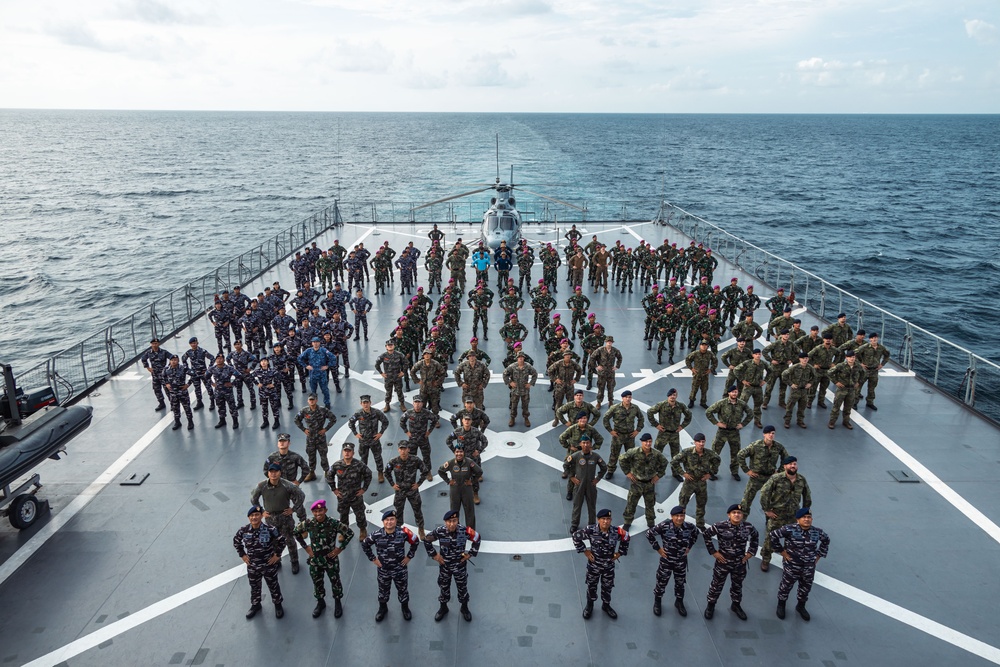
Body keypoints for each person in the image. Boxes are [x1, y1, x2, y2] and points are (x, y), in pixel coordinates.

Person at [295, 499, 354, 618]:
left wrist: (339, 549)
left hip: (330, 559)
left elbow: (349, 533)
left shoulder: (333, 523)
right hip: (315, 559)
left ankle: (338, 602)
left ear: (325, 510)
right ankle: (320, 603)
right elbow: (296, 532)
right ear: (312, 513)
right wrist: (306, 547)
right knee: (317, 582)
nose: (318, 514)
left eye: (320, 511)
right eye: (315, 511)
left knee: (335, 581)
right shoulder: (309, 523)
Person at [770, 507, 830, 621]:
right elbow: (773, 535)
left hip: (808, 567)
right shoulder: (789, 529)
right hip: (792, 566)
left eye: (809, 517)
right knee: (786, 586)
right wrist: (783, 552)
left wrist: (818, 556)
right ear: (798, 519)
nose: (807, 519)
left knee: (805, 588)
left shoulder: (817, 532)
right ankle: (781, 605)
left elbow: (826, 540)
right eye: (804, 517)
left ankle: (801, 606)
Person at [361, 509, 420, 622]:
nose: (389, 522)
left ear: (396, 520)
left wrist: (409, 556)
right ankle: (382, 608)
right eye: (387, 520)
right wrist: (373, 558)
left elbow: (415, 541)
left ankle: (405, 608)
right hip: (384, 570)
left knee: (403, 589)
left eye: (392, 519)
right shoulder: (376, 535)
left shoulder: (403, 533)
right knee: (383, 590)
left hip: (400, 569)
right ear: (383, 522)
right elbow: (365, 544)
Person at [702, 504, 759, 621]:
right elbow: (706, 535)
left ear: (742, 515)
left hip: (739, 562)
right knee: (716, 585)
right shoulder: (720, 526)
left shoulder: (748, 527)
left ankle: (736, 605)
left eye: (739, 513)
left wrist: (751, 552)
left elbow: (755, 537)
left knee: (737, 586)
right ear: (729, 515)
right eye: (734, 513)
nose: (737, 515)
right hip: (723, 562)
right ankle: (711, 605)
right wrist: (713, 552)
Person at [424, 509, 482, 622]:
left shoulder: (464, 531)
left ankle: (464, 608)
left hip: (459, 566)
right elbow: (427, 540)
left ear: (457, 521)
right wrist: (434, 555)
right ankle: (443, 607)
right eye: (449, 521)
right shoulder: (440, 531)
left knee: (462, 587)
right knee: (444, 587)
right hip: (445, 565)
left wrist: (470, 554)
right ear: (445, 522)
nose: (451, 524)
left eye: (454, 521)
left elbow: (477, 538)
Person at [572, 508, 630, 619]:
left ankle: (606, 605)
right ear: (598, 520)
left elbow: (626, 537)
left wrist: (620, 553)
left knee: (607, 587)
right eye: (603, 519)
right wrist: (585, 551)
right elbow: (576, 536)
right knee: (591, 586)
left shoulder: (616, 531)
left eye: (608, 519)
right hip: (594, 566)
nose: (605, 522)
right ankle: (590, 605)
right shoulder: (591, 530)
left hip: (608, 566)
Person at [758, 456, 812, 571]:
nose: (793, 466)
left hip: (793, 515)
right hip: (777, 515)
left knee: (792, 539)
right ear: (784, 466)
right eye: (790, 464)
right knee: (771, 538)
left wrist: (805, 513)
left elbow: (807, 496)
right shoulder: (776, 478)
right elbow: (764, 492)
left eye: (795, 464)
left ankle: (787, 559)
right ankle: (766, 559)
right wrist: (767, 510)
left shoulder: (801, 480)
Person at [251, 464, 307, 574]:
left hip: (285, 517)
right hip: (270, 517)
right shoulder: (262, 486)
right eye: (271, 471)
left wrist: (293, 509)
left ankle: (294, 561)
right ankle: (277, 560)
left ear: (280, 473)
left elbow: (301, 495)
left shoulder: (287, 485)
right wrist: (261, 511)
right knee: (273, 541)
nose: (273, 473)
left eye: (275, 471)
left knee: (290, 540)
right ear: (268, 473)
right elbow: (253, 499)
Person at [646, 505, 699, 617]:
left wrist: (689, 546)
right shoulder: (664, 526)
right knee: (661, 581)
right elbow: (649, 534)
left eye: (682, 515)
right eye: (677, 516)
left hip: (681, 561)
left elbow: (695, 534)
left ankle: (679, 602)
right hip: (667, 560)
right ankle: (657, 601)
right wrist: (658, 549)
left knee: (680, 583)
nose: (679, 518)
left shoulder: (689, 527)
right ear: (672, 516)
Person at [234, 505, 286, 619]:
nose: (254, 517)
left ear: (261, 516)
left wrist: (277, 555)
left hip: (268, 564)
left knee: (273, 585)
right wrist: (242, 555)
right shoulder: (243, 530)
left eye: (257, 515)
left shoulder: (270, 529)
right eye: (252, 515)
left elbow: (282, 541)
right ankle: (256, 604)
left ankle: (278, 604)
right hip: (253, 565)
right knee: (254, 586)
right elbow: (236, 542)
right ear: (249, 518)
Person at [670, 433, 721, 529]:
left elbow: (717, 460)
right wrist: (683, 473)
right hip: (689, 482)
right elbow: (674, 461)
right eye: (699, 442)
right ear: (695, 442)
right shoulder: (687, 452)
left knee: (701, 504)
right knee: (682, 503)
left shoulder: (709, 454)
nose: (701, 444)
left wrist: (710, 473)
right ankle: (679, 523)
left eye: (703, 442)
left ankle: (700, 523)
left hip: (701, 482)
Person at [619, 433, 668, 530]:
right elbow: (622, 459)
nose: (648, 444)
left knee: (650, 505)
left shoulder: (656, 454)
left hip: (649, 483)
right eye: (646, 442)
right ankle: (627, 522)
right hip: (636, 483)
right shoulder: (634, 452)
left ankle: (650, 523)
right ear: (642, 442)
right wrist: (627, 473)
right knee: (631, 504)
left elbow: (664, 463)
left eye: (650, 442)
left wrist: (658, 475)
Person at [705, 386, 755, 481]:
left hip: (734, 432)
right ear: (729, 393)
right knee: (715, 452)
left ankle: (735, 472)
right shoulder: (722, 403)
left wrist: (743, 424)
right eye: (732, 392)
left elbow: (750, 414)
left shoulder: (741, 404)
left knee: (736, 453)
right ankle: (711, 472)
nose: (734, 394)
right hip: (722, 432)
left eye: (736, 392)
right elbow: (709, 412)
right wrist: (717, 423)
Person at [737, 426, 789, 514]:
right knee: (746, 501)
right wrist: (747, 470)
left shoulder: (778, 446)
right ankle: (741, 522)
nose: (771, 435)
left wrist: (779, 471)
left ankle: (769, 521)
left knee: (771, 501)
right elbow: (740, 455)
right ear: (764, 434)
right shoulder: (756, 445)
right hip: (756, 477)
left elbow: (786, 458)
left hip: (771, 478)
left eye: (773, 433)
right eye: (769, 433)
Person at [326, 442, 373, 538]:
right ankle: (344, 532)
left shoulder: (359, 465)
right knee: (343, 515)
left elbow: (368, 474)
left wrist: (364, 489)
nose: (347, 453)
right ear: (343, 452)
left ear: (353, 453)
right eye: (345, 451)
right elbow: (329, 475)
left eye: (349, 451)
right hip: (342, 496)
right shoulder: (337, 465)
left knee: (360, 515)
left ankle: (362, 530)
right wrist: (334, 489)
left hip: (356, 496)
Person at [385, 441, 430, 539]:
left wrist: (418, 483)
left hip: (412, 490)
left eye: (405, 449)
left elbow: (425, 471)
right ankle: (398, 529)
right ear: (398, 450)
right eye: (401, 449)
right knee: (398, 511)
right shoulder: (394, 461)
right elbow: (386, 472)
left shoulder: (415, 460)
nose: (403, 451)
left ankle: (421, 529)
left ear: (408, 449)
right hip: (400, 491)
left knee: (417, 510)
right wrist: (392, 484)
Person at [564, 434, 608, 532]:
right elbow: (566, 465)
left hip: (591, 485)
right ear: (580, 444)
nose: (585, 445)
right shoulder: (576, 456)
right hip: (579, 485)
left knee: (591, 506)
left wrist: (598, 478)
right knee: (577, 505)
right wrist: (571, 477)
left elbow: (604, 467)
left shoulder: (596, 456)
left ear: (590, 444)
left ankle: (592, 524)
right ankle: (574, 524)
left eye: (587, 443)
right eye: (583, 443)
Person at [294, 393, 338, 481]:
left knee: (323, 456)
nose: (311, 401)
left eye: (313, 399)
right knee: (311, 456)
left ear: (316, 400)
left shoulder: (323, 410)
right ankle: (311, 473)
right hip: (310, 438)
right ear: (308, 401)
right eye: (310, 400)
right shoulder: (304, 411)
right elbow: (296, 419)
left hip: (320, 437)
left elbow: (333, 419)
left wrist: (325, 429)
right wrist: (304, 429)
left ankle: (326, 472)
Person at [602, 390, 644, 479]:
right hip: (618, 435)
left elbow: (641, 418)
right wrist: (610, 431)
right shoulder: (615, 408)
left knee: (631, 454)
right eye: (626, 397)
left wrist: (637, 430)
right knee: (614, 454)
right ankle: (610, 470)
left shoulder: (635, 408)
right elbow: (605, 418)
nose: (628, 399)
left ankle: (630, 471)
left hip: (630, 436)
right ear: (622, 398)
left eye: (629, 397)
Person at [438, 446, 482, 529]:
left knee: (469, 511)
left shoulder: (469, 462)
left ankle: (471, 531)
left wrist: (472, 481)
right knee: (454, 511)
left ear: (464, 453)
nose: (459, 454)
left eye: (461, 452)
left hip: (467, 489)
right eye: (457, 452)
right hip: (455, 489)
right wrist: (448, 481)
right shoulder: (450, 463)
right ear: (454, 453)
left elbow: (479, 471)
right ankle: (456, 530)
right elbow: (440, 471)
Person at [348, 395, 390, 483]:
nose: (365, 405)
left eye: (367, 402)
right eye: (364, 403)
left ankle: (380, 473)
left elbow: (385, 421)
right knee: (363, 459)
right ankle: (364, 474)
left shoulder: (376, 412)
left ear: (370, 403)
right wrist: (355, 433)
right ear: (361, 404)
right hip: (363, 441)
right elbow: (351, 423)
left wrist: (380, 433)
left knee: (378, 457)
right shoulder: (358, 414)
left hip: (374, 440)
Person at [646, 388, 692, 465]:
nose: (672, 397)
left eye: (674, 395)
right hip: (663, 433)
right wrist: (656, 425)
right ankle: (653, 470)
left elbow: (689, 415)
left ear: (676, 396)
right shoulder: (661, 405)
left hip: (675, 434)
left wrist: (682, 426)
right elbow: (649, 412)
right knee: (656, 453)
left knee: (675, 456)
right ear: (668, 396)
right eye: (670, 395)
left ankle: (675, 473)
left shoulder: (680, 406)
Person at [400, 395, 440, 474]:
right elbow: (402, 421)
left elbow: (435, 420)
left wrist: (429, 431)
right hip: (412, 439)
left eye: (419, 402)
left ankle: (428, 472)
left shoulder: (426, 413)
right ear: (413, 403)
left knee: (426, 456)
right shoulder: (409, 413)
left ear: (422, 403)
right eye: (415, 402)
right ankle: (411, 472)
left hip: (423, 439)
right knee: (411, 457)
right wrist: (406, 432)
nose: (417, 404)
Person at [827, 349, 866, 429]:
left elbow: (863, 374)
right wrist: (836, 382)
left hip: (851, 390)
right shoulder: (841, 365)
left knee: (848, 408)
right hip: (842, 389)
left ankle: (846, 421)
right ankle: (832, 422)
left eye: (853, 357)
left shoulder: (858, 366)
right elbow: (829, 372)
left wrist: (859, 382)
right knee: (836, 407)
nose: (852, 359)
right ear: (846, 358)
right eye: (850, 357)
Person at [298, 337, 339, 409]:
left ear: (319, 343)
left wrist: (327, 366)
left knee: (325, 390)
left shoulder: (324, 350)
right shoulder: (308, 351)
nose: (315, 344)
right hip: (312, 374)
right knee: (313, 391)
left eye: (317, 342)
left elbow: (333, 357)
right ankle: (313, 404)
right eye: (314, 342)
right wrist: (306, 366)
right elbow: (299, 358)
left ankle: (327, 403)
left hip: (322, 374)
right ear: (312, 343)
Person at [856, 332, 891, 410]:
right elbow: (855, 354)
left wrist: (882, 364)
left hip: (874, 371)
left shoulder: (881, 348)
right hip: (865, 370)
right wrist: (860, 363)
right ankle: (854, 402)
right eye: (872, 338)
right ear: (870, 339)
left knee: (872, 388)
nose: (874, 339)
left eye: (875, 337)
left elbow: (887, 355)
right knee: (858, 387)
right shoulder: (865, 347)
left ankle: (870, 402)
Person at [502, 351, 538, 427]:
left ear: (524, 358)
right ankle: (512, 418)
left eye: (522, 357)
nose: (521, 359)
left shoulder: (528, 366)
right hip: (515, 390)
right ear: (517, 358)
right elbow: (505, 374)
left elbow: (535, 374)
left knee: (525, 405)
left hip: (525, 390)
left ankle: (526, 418)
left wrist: (530, 383)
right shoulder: (512, 366)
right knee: (513, 405)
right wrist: (509, 382)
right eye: (519, 357)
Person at [782, 352, 817, 428]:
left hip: (804, 391)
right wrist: (791, 384)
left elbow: (815, 377)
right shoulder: (795, 367)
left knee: (802, 407)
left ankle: (800, 421)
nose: (805, 360)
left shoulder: (810, 368)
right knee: (790, 407)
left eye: (806, 358)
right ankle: (787, 421)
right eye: (803, 358)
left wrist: (810, 383)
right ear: (800, 359)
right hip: (795, 390)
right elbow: (784, 374)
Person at [161, 355, 195, 431]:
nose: (173, 361)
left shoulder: (183, 368)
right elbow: (163, 377)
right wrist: (166, 384)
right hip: (173, 393)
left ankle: (190, 421)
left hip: (182, 392)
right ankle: (177, 422)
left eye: (175, 360)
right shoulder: (166, 369)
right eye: (172, 360)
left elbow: (194, 374)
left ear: (178, 361)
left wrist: (188, 384)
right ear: (170, 361)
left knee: (187, 407)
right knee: (175, 408)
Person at [375, 340, 408, 412]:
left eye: (391, 345)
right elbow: (377, 364)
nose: (390, 346)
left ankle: (402, 404)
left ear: (394, 346)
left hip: (397, 377)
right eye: (388, 345)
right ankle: (387, 405)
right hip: (388, 377)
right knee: (388, 392)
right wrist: (381, 373)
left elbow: (406, 362)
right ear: (386, 347)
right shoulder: (383, 356)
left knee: (399, 391)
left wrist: (403, 372)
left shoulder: (399, 354)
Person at [140, 337, 173, 411]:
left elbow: (172, 357)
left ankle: (172, 404)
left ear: (158, 344)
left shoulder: (164, 352)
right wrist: (148, 367)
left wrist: (169, 366)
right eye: (153, 344)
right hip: (155, 375)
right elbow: (143, 359)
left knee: (168, 390)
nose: (154, 345)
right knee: (157, 390)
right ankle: (161, 403)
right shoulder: (149, 352)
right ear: (151, 344)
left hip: (163, 375)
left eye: (156, 343)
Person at [589, 336, 622, 407]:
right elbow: (592, 357)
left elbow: (620, 357)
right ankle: (599, 402)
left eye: (610, 342)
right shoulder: (600, 350)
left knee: (611, 388)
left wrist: (617, 366)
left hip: (611, 372)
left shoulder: (615, 350)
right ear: (605, 342)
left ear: (612, 343)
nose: (609, 343)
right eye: (608, 342)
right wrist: (596, 366)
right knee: (601, 388)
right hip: (602, 373)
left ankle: (610, 401)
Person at [685, 340, 718, 409]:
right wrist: (691, 368)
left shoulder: (710, 354)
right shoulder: (695, 353)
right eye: (702, 345)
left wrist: (711, 369)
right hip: (696, 374)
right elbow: (687, 359)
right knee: (694, 389)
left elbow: (715, 361)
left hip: (705, 375)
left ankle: (703, 402)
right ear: (700, 346)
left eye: (705, 345)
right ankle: (691, 401)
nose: (704, 346)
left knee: (704, 389)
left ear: (707, 346)